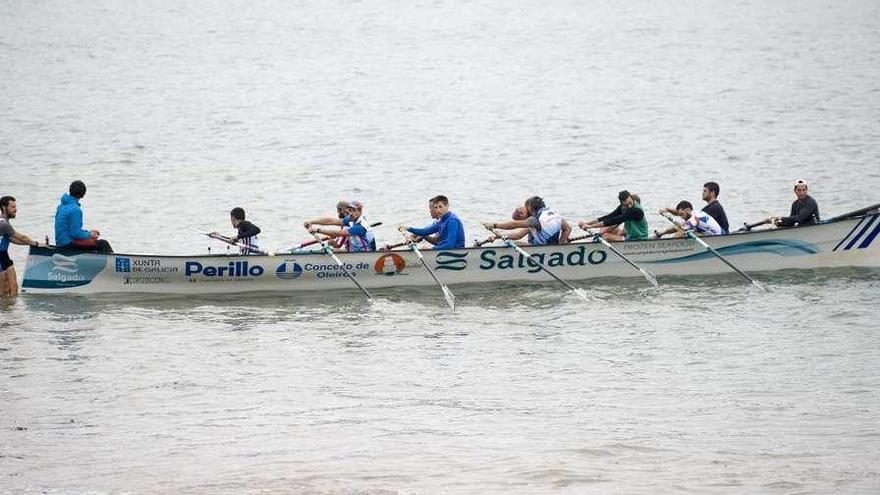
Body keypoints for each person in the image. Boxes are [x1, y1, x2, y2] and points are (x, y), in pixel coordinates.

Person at [482, 196, 570, 245]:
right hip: (549, 247)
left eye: (525, 207)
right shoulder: (554, 214)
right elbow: (568, 229)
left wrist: (494, 225)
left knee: (508, 244)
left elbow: (514, 224)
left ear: (530, 208)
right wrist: (561, 243)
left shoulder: (534, 220)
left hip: (541, 249)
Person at [54, 180, 113, 253]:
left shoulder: (61, 206)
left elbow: (70, 230)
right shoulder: (75, 209)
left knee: (92, 242)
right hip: (67, 244)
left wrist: (88, 234)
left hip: (60, 242)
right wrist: (90, 234)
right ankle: (112, 262)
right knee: (103, 244)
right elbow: (75, 233)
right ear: (83, 194)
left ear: (70, 190)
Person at [1, 196, 41, 297]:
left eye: (15, 206)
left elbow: (12, 239)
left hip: (4, 255)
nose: (15, 209)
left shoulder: (5, 223)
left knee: (13, 287)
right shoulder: (3, 223)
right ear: (3, 208)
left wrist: (30, 244)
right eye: (12, 207)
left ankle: (10, 311)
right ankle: (6, 309)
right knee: (3, 290)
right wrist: (36, 244)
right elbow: (22, 237)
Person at [305, 200, 376, 252]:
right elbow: (331, 221)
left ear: (360, 211)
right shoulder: (351, 219)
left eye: (354, 210)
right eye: (350, 210)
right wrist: (311, 222)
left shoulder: (360, 226)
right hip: (354, 251)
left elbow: (340, 233)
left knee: (332, 250)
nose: (351, 213)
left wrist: (318, 230)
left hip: (364, 254)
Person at [398, 195, 466, 249]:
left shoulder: (452, 221)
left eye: (440, 207)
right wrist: (408, 228)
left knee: (424, 249)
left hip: (455, 252)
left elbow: (450, 245)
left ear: (447, 206)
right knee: (423, 248)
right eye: (436, 207)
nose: (438, 210)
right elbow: (425, 231)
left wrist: (431, 249)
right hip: (446, 251)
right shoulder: (442, 221)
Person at [578, 190, 648, 241]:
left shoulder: (636, 211)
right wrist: (587, 223)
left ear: (631, 198)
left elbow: (614, 220)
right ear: (622, 203)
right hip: (629, 235)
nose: (629, 206)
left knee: (605, 236)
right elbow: (609, 217)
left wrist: (590, 227)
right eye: (626, 205)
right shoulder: (622, 207)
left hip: (639, 239)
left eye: (630, 203)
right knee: (603, 229)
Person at [656, 200, 724, 238]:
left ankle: (670, 247)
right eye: (680, 214)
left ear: (688, 210)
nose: (681, 217)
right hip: (708, 234)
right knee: (677, 227)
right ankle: (659, 234)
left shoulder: (696, 218)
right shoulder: (692, 212)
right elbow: (677, 212)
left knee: (681, 232)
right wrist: (667, 209)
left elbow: (684, 229)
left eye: (682, 214)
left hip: (719, 237)